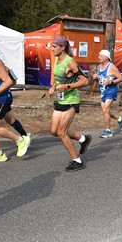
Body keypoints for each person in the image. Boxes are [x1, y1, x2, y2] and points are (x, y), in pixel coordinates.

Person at [48, 36, 91, 171]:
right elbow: (59, 78)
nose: (52, 49)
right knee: (54, 131)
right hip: (61, 100)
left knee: (61, 132)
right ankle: (83, 139)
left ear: (63, 47)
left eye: (54, 46)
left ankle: (77, 160)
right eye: (52, 46)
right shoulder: (57, 59)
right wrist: (53, 87)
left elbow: (85, 81)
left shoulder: (70, 62)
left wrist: (67, 87)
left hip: (71, 100)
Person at [92, 49, 122, 138]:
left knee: (105, 109)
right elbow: (99, 77)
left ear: (106, 57)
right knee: (105, 111)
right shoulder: (99, 66)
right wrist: (95, 77)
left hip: (111, 90)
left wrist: (111, 82)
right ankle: (120, 119)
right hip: (103, 91)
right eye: (99, 55)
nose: (99, 57)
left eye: (101, 55)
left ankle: (108, 130)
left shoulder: (111, 67)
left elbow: (120, 78)